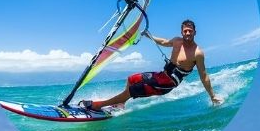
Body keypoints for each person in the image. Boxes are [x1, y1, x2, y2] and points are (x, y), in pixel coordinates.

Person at [79, 19, 221, 111]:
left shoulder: (198, 53)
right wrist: (149, 36)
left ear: (195, 32)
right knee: (131, 79)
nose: (187, 33)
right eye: (185, 31)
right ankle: (122, 103)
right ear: (181, 32)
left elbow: (204, 76)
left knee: (133, 90)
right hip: (161, 75)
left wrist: (212, 96)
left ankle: (98, 105)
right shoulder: (177, 41)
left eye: (190, 31)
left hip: (167, 84)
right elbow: (164, 42)